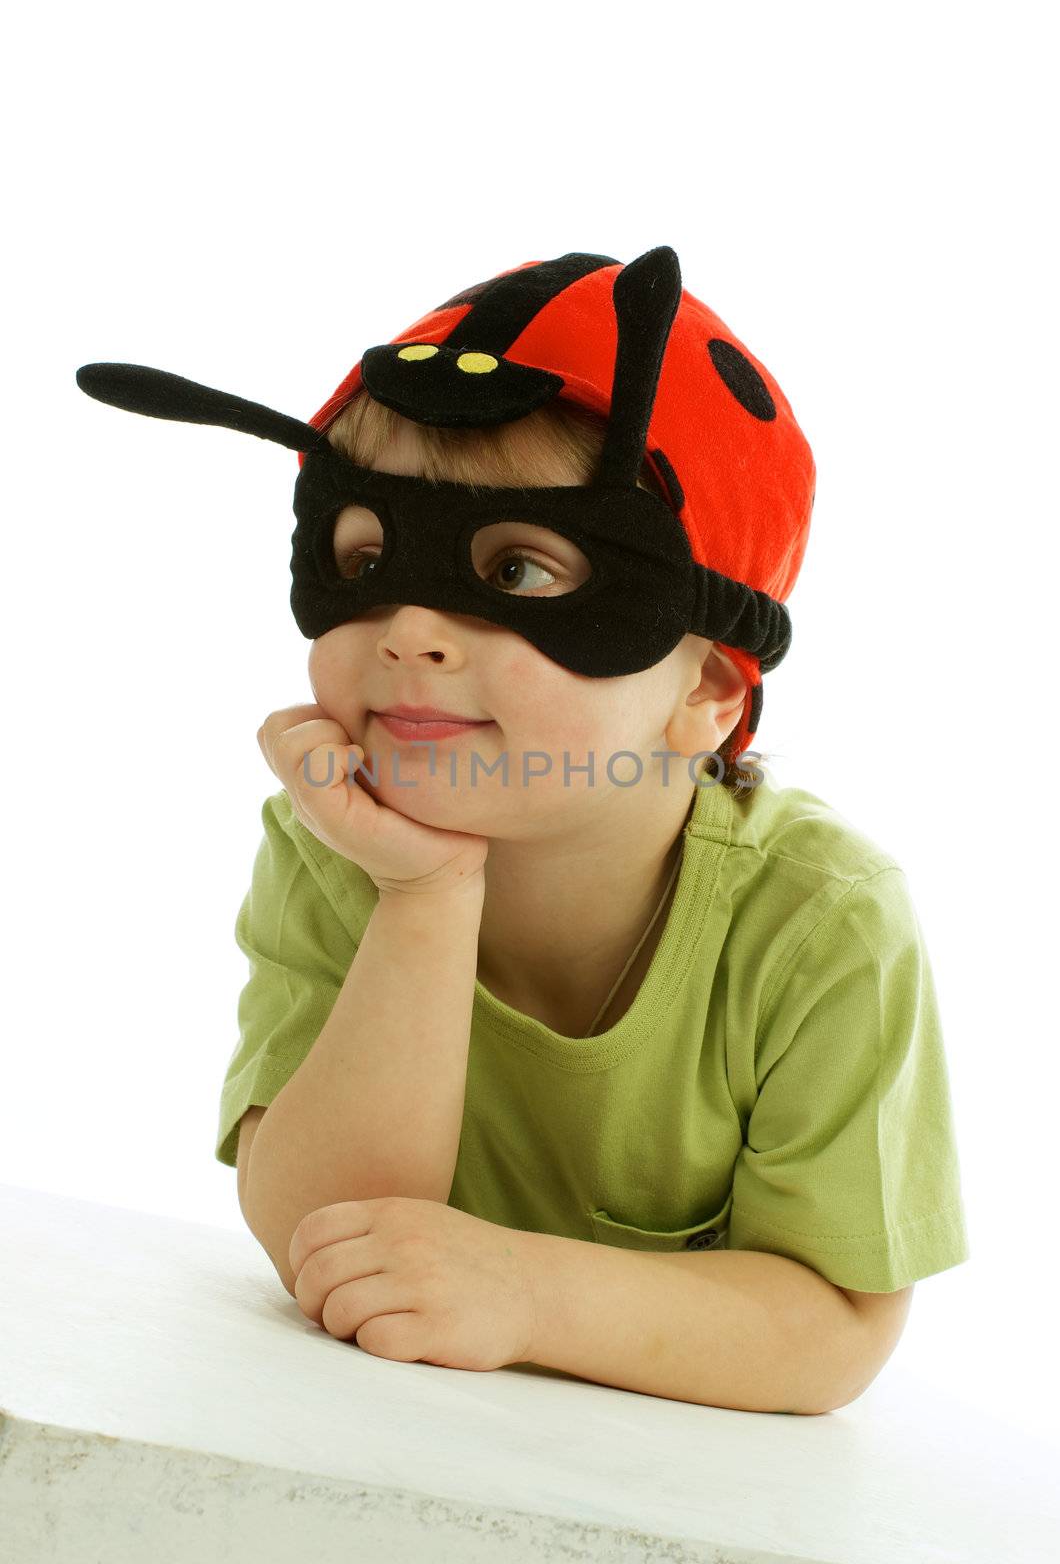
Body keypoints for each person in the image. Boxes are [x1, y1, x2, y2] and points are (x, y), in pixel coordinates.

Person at [78, 246, 970, 1404]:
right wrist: (424, 895)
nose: (408, 630)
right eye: (367, 558)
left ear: (709, 692)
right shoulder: (333, 842)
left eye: (517, 569)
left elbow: (831, 1329)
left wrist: (524, 1291)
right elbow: (319, 1235)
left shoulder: (818, 921)